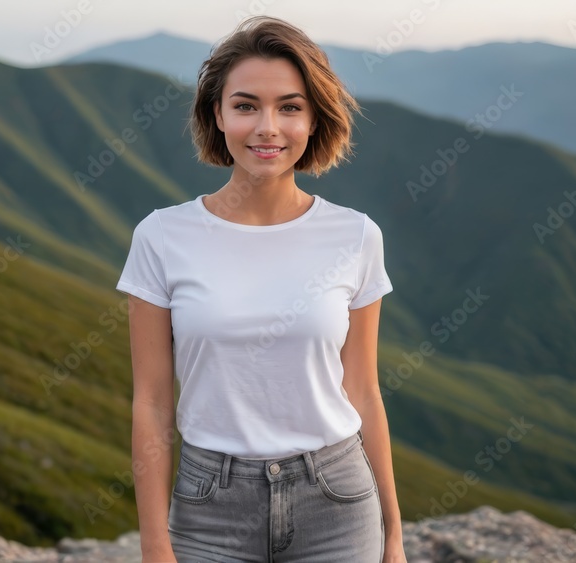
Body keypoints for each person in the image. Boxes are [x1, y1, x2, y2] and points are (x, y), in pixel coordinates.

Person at [115, 15, 406, 563]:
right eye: (246, 105)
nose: (267, 127)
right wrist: (155, 542)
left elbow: (363, 391)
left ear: (315, 119)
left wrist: (393, 533)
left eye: (290, 107)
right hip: (208, 506)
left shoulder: (357, 236)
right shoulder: (161, 237)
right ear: (217, 115)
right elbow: (151, 403)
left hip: (338, 501)